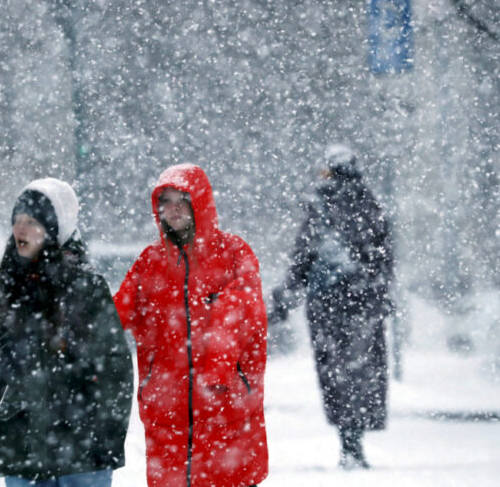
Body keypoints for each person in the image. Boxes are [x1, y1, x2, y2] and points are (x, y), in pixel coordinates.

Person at [0, 178, 134, 486]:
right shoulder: (2, 285)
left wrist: (107, 440)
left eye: (31, 221)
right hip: (22, 443)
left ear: (54, 228)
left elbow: (115, 370)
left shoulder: (87, 286)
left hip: (83, 447)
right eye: (17, 221)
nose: (20, 230)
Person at [114, 163, 268, 487]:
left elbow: (245, 313)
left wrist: (216, 371)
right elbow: (116, 313)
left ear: (199, 201)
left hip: (225, 408)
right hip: (167, 412)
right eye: (165, 201)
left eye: (181, 199)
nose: (173, 208)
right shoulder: (151, 262)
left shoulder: (234, 253)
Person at [269, 144, 393, 469]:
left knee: (335, 374)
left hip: (327, 305)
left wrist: (284, 300)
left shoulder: (322, 207)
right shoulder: (371, 206)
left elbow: (303, 257)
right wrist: (379, 294)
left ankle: (348, 442)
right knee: (362, 372)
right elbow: (384, 258)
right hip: (364, 304)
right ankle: (355, 441)